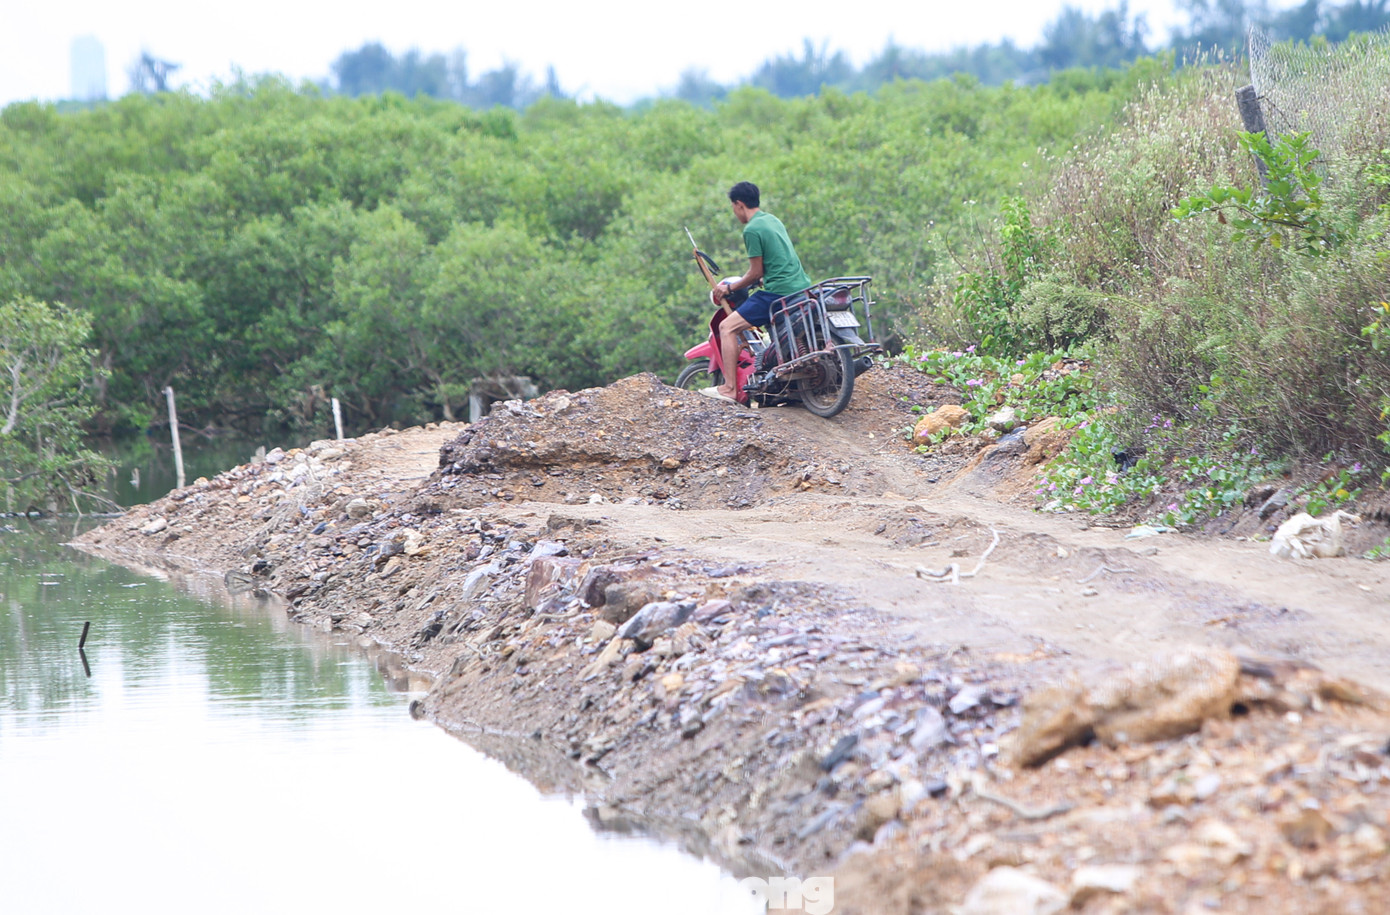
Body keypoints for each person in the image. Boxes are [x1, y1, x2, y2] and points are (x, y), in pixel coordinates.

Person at [707, 181, 812, 403]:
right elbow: (777, 260)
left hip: (777, 293)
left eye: (733, 208)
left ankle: (729, 389)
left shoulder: (752, 229)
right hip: (800, 288)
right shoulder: (773, 220)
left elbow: (754, 273)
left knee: (727, 327)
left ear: (739, 204)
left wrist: (729, 288)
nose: (735, 213)